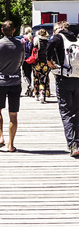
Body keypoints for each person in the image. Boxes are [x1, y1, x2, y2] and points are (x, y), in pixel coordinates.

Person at [0, 20, 27, 151]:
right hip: (15, 81)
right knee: (13, 114)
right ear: (14, 30)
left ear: (2, 31)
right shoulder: (20, 44)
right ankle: (11, 144)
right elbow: (22, 60)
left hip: (0, 81)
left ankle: (0, 137)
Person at [45, 18, 79, 159]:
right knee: (76, 111)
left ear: (58, 28)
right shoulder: (76, 38)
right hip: (78, 78)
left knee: (66, 111)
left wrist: (48, 59)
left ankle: (73, 144)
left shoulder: (58, 37)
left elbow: (50, 45)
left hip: (64, 78)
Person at [32, 26, 55, 103]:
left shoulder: (36, 41)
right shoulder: (48, 42)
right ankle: (42, 93)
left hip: (37, 63)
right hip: (45, 63)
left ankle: (36, 94)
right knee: (43, 79)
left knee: (36, 79)